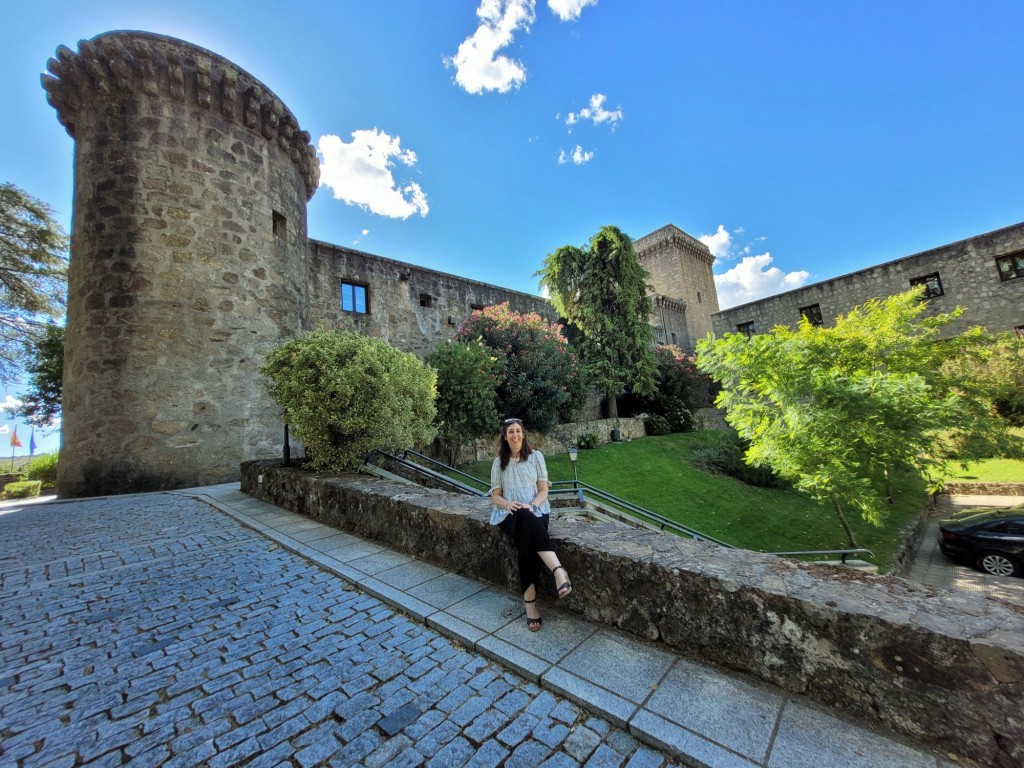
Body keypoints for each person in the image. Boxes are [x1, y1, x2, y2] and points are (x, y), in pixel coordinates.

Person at [489, 417, 573, 632]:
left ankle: (531, 607)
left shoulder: (536, 457)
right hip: (509, 514)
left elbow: (544, 490)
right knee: (523, 518)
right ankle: (558, 570)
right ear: (505, 437)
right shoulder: (499, 463)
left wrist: (533, 506)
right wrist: (508, 503)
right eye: (510, 432)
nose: (515, 435)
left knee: (527, 547)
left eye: (518, 431)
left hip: (536, 510)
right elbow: (495, 497)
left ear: (523, 434)